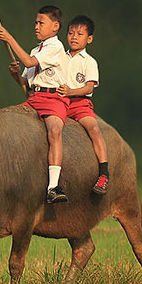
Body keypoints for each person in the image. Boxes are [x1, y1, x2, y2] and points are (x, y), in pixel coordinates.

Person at [0, 5, 70, 204]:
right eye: (35, 22)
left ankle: (53, 186)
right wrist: (15, 76)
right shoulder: (37, 49)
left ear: (55, 26)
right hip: (34, 99)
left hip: (54, 100)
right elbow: (26, 84)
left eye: (40, 23)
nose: (36, 26)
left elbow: (28, 62)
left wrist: (9, 38)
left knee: (54, 131)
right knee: (9, 123)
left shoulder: (55, 47)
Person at [58, 15, 110, 194]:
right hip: (59, 102)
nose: (74, 37)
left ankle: (104, 173)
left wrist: (70, 91)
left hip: (80, 103)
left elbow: (88, 87)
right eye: (71, 33)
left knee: (94, 129)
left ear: (89, 39)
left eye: (79, 34)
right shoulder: (59, 58)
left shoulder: (89, 62)